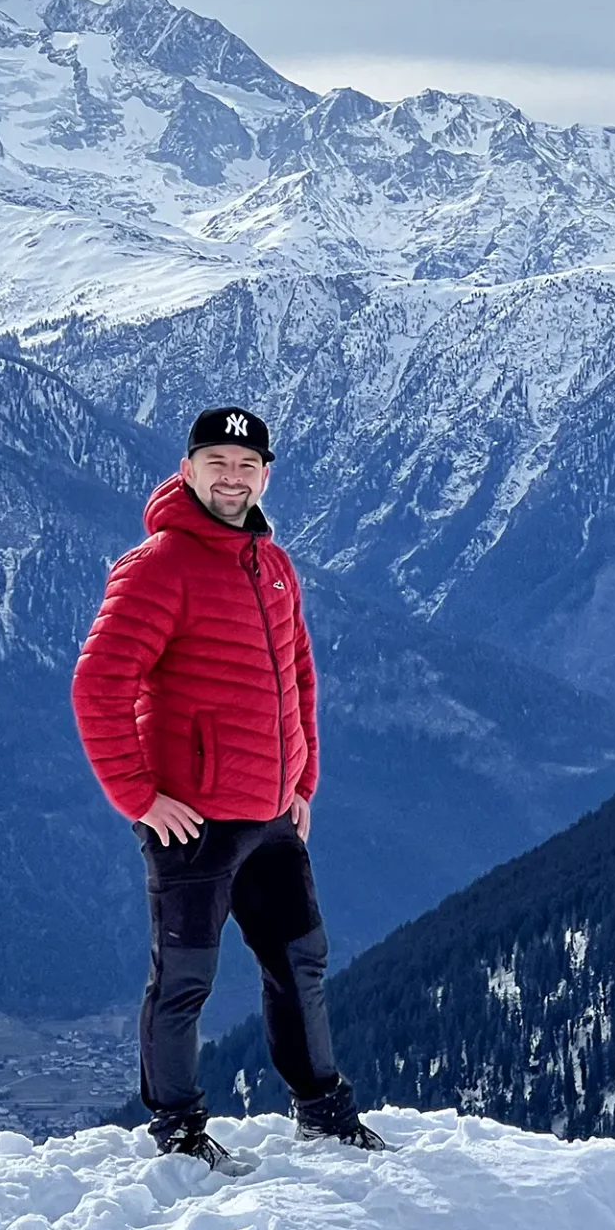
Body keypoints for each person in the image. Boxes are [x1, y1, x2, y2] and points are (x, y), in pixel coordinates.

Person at [72, 406, 383, 1164]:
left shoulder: (272, 564)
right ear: (187, 471)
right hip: (194, 821)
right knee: (185, 978)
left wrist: (302, 779)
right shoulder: (157, 566)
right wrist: (140, 799)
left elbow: (299, 677)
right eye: (217, 461)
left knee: (299, 960)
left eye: (247, 465)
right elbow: (98, 683)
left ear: (265, 475)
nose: (233, 477)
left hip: (274, 813)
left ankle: (322, 1110)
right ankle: (177, 1131)